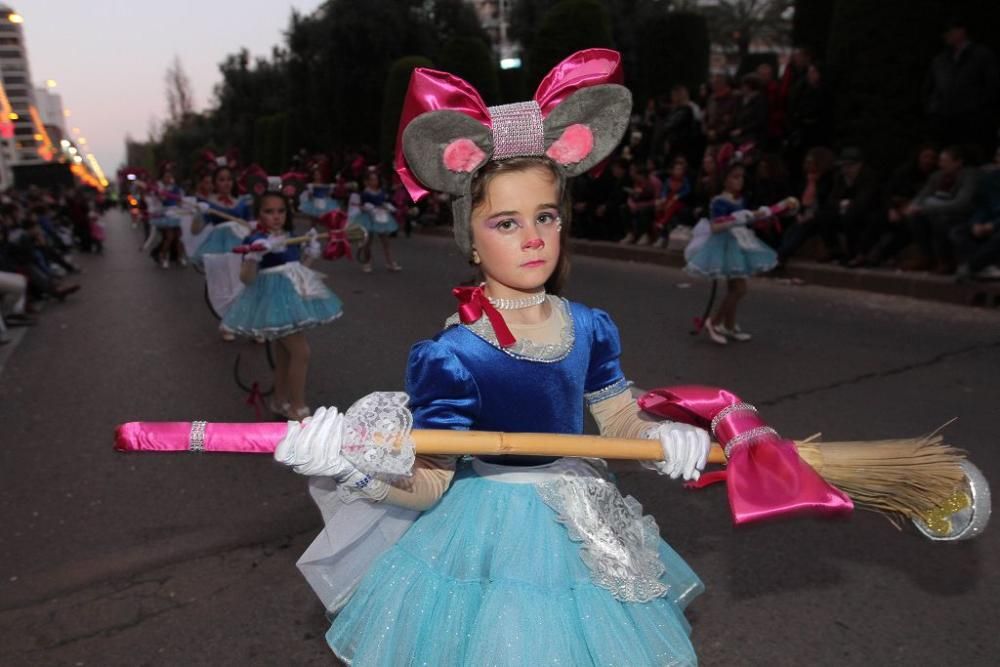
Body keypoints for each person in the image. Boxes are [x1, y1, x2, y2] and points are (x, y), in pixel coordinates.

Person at [274, 49, 711, 665]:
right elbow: (428, 481)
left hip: (579, 519)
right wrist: (354, 466)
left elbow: (617, 420)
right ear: (469, 242)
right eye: (505, 223)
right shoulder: (452, 355)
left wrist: (663, 438)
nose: (533, 237)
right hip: (488, 534)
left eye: (546, 216)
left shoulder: (589, 326)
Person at [221, 190, 343, 420]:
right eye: (269, 211)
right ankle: (298, 406)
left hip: (294, 298)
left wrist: (312, 253)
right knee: (302, 352)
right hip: (272, 301)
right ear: (258, 214)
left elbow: (298, 268)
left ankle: (279, 400)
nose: (276, 216)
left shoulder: (289, 236)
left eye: (281, 211)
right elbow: (246, 279)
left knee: (285, 353)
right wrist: (254, 255)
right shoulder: (254, 240)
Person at [685, 163, 778, 344]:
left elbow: (744, 217)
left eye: (741, 177)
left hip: (739, 243)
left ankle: (729, 324)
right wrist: (736, 219)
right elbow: (715, 226)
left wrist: (758, 215)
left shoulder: (739, 199)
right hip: (725, 246)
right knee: (739, 289)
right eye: (735, 177)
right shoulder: (719, 201)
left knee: (734, 288)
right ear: (724, 180)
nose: (740, 181)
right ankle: (715, 321)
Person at [923, 16, 1000, 157]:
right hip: (946, 123)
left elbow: (992, 86)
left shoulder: (981, 55)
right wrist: (935, 110)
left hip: (974, 123)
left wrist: (978, 109)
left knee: (972, 158)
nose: (946, 36)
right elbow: (932, 88)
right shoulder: (940, 60)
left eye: (949, 31)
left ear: (961, 31)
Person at [904, 146, 978, 273]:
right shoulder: (937, 176)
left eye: (945, 161)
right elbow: (923, 195)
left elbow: (961, 203)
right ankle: (926, 256)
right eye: (940, 161)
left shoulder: (969, 175)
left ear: (958, 162)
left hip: (961, 214)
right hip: (938, 210)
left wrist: (930, 207)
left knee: (938, 217)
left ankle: (945, 261)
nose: (941, 165)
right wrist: (914, 206)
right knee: (915, 217)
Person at [353, 168, 402, 273]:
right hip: (369, 218)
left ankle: (390, 262)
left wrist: (390, 207)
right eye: (371, 180)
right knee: (368, 241)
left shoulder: (381, 192)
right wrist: (369, 208)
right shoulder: (365, 193)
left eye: (375, 180)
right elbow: (362, 205)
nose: (374, 182)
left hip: (381, 217)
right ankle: (367, 263)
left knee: (386, 242)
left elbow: (385, 202)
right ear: (367, 181)